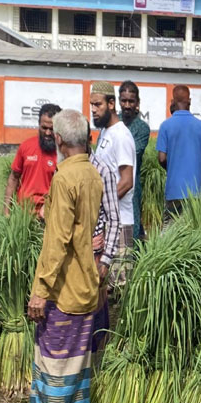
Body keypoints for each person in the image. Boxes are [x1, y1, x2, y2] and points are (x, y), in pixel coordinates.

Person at [26, 109, 103, 403]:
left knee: (56, 364)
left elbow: (57, 241)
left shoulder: (64, 178)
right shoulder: (93, 174)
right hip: (87, 285)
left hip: (64, 290)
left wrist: (40, 291)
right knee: (78, 365)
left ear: (58, 139)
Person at [89, 81, 136, 289]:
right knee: (103, 286)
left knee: (118, 287)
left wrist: (100, 204)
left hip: (120, 223)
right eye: (91, 105)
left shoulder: (121, 135)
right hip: (106, 223)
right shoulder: (105, 134)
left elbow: (126, 181)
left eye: (97, 105)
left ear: (110, 104)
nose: (93, 110)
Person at [156, 84, 201, 217]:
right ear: (190, 101)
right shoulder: (200, 126)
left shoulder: (165, 126)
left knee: (170, 232)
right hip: (195, 192)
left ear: (173, 102)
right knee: (193, 232)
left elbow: (162, 158)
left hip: (173, 191)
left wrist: (173, 168)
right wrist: (197, 168)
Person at [87, 137, 120, 361]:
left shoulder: (101, 170)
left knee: (96, 312)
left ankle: (97, 365)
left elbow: (114, 219)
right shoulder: (64, 167)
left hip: (95, 254)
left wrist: (106, 259)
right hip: (73, 255)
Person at [3, 104, 61, 219]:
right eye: (44, 128)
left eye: (52, 129)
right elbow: (14, 178)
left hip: (49, 217)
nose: (48, 133)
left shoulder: (64, 153)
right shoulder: (26, 146)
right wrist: (6, 211)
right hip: (22, 215)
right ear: (38, 125)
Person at [118, 81, 150, 239]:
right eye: (124, 100)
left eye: (131, 101)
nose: (127, 105)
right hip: (110, 185)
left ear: (137, 102)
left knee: (131, 230)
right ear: (119, 101)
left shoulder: (142, 128)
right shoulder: (112, 122)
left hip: (131, 188)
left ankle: (132, 262)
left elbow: (132, 153)